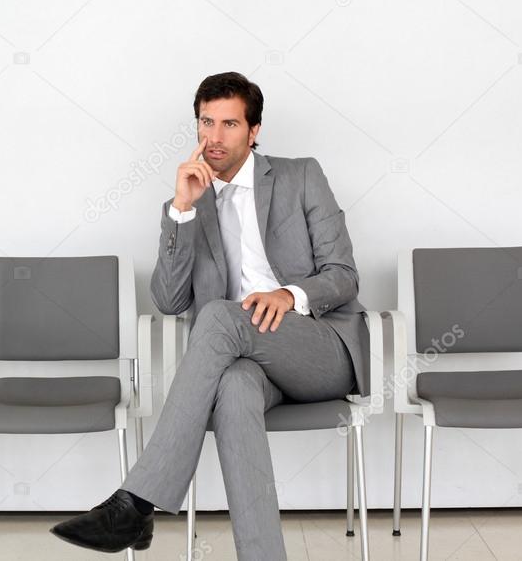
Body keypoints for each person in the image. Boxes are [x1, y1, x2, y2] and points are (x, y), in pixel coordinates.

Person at [51, 71, 367, 559]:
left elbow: (344, 274)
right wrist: (181, 210)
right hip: (245, 361)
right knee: (236, 389)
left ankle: (136, 503)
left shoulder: (300, 175)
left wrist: (288, 294)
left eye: (229, 124)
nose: (213, 138)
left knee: (218, 316)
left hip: (317, 348)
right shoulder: (189, 203)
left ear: (254, 130)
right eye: (205, 123)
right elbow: (169, 301)